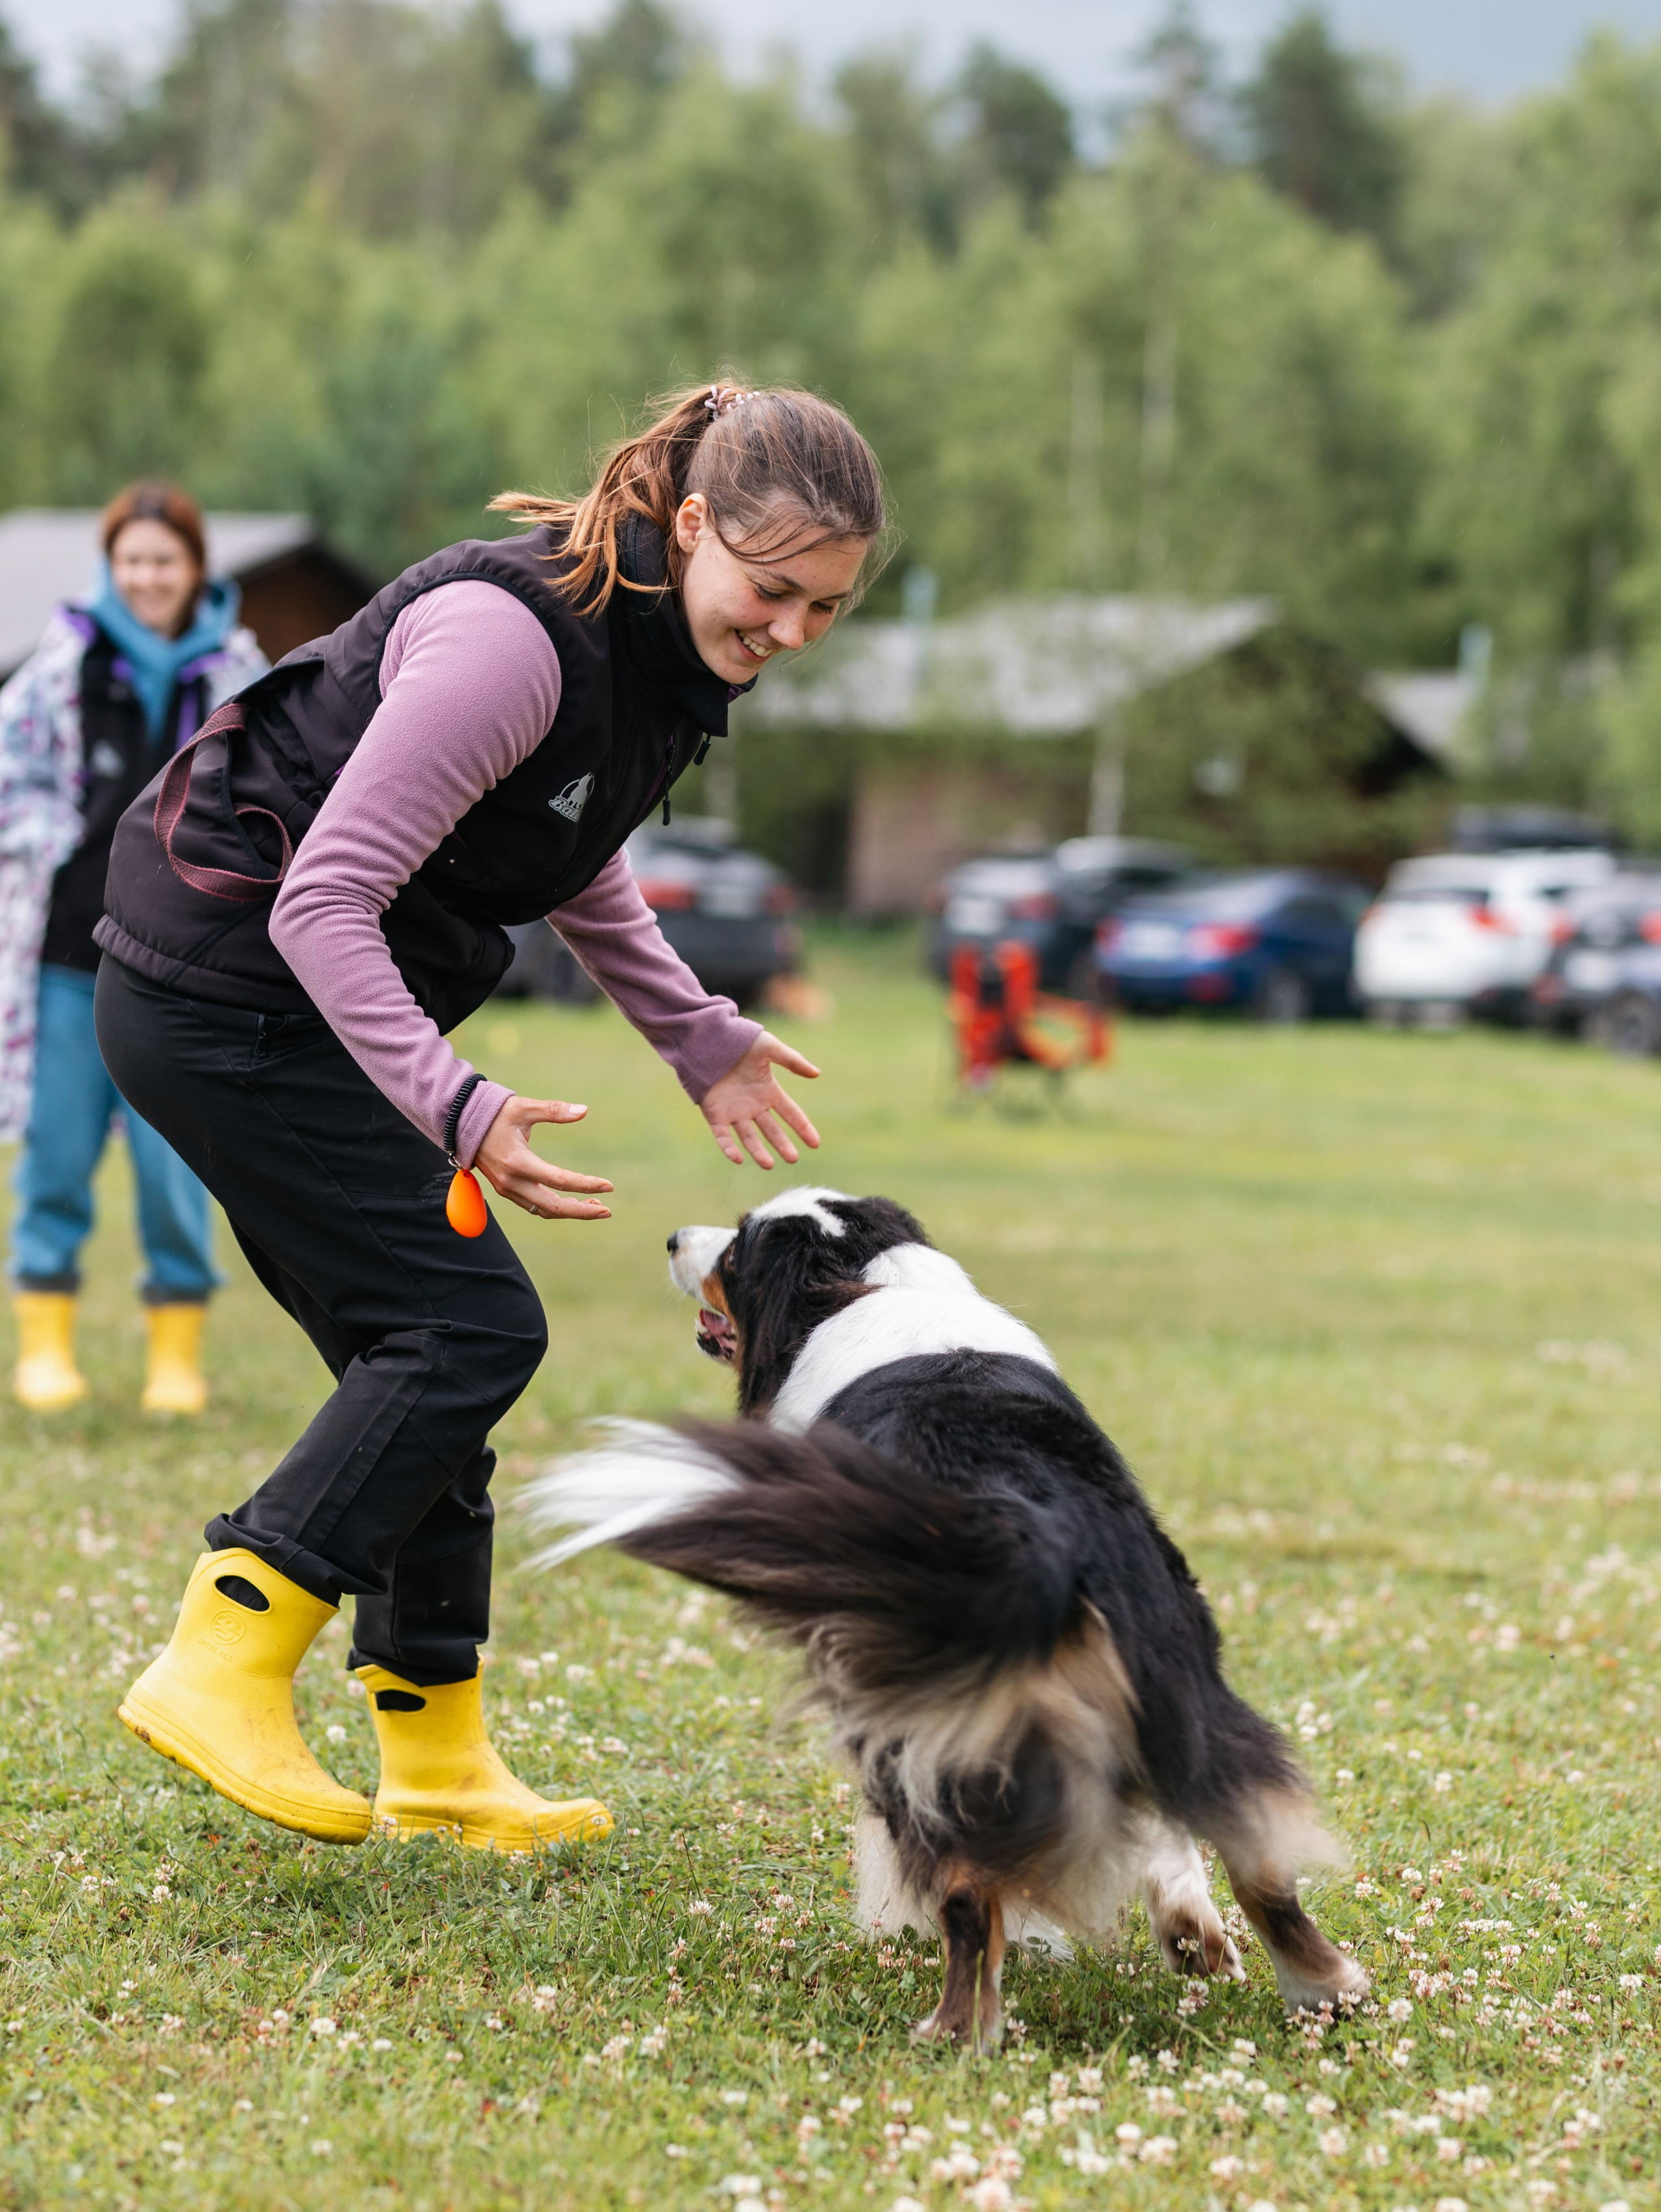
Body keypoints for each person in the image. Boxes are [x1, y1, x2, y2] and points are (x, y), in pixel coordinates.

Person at [94, 383, 886, 1854]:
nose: (788, 632)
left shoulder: (644, 651)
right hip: (226, 997)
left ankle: (437, 1756)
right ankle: (223, 1652)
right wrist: (457, 1104)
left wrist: (696, 1033)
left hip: (274, 1006)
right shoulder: (511, 642)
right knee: (464, 1330)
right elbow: (325, 897)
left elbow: (565, 852)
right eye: (771, 591)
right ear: (692, 523)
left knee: (421, 1372)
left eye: (825, 609)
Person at [1, 483, 267, 1414]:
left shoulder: (241, 670)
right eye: (133, 561)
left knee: (176, 1165)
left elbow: (277, 790)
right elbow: (13, 772)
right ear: (111, 569)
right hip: (70, 959)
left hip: (185, 967)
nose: (150, 577)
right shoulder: (64, 663)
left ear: (198, 567)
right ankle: (44, 1339)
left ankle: (176, 1349)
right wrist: (50, 834)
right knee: (57, 1154)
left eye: (167, 559)